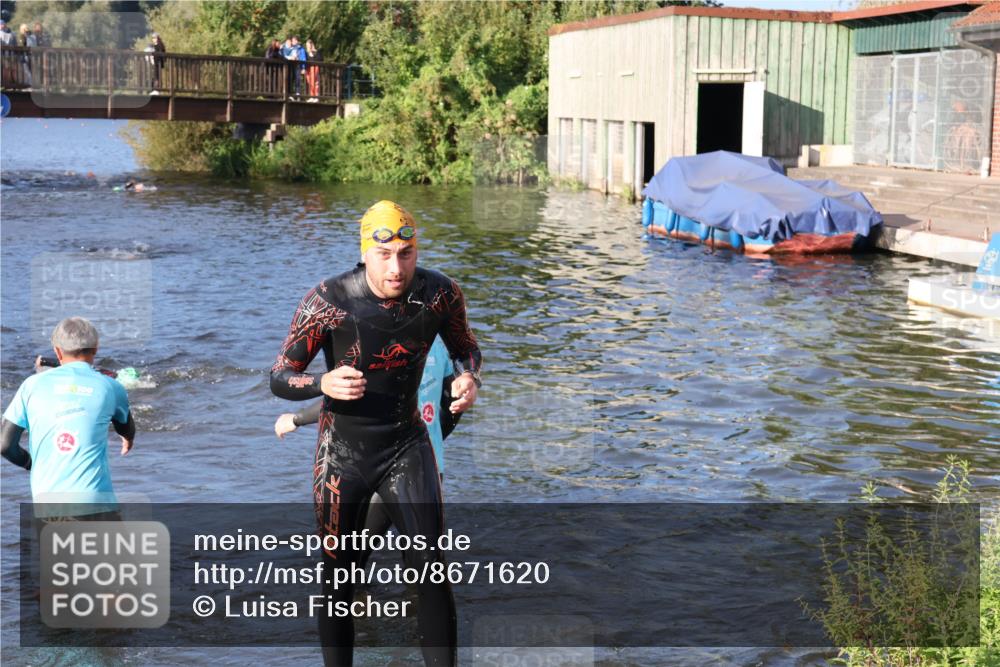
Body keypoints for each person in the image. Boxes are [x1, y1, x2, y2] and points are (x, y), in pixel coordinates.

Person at [270, 200, 482, 667]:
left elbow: (467, 349)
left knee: (430, 571)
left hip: (407, 444)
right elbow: (281, 375)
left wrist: (469, 378)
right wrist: (321, 383)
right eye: (385, 255)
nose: (397, 267)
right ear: (365, 250)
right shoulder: (327, 300)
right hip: (342, 453)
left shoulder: (441, 294)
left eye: (406, 254)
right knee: (339, 578)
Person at [1, 317, 135, 518]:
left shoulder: (30, 386)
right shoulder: (111, 386)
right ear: (96, 348)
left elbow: (4, 445)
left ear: (57, 351)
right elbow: (125, 426)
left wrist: (31, 463)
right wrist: (128, 437)